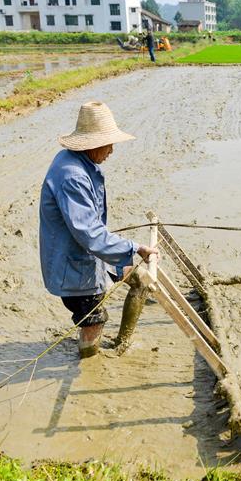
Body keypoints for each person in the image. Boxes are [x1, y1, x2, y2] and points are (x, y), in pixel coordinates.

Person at [39, 102, 159, 358]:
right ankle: (89, 360)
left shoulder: (75, 162)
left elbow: (89, 227)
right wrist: (135, 247)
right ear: (91, 144)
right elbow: (90, 234)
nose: (112, 150)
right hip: (75, 266)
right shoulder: (73, 176)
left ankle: (121, 344)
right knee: (93, 319)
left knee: (138, 281)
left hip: (87, 253)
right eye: (109, 143)